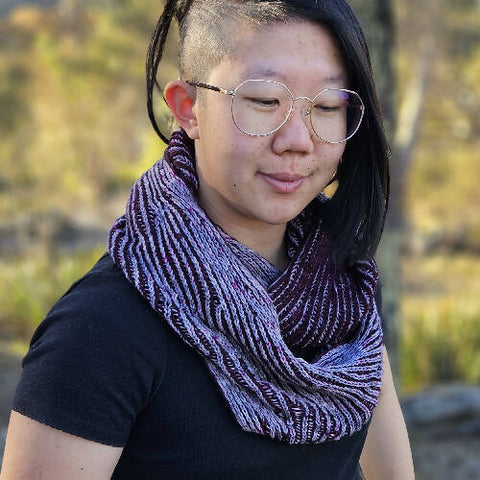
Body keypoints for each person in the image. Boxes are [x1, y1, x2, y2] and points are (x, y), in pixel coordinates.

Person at [1, 0, 414, 478]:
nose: (298, 140)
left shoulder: (340, 290)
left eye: (326, 106)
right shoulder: (99, 330)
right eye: (265, 101)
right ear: (188, 108)